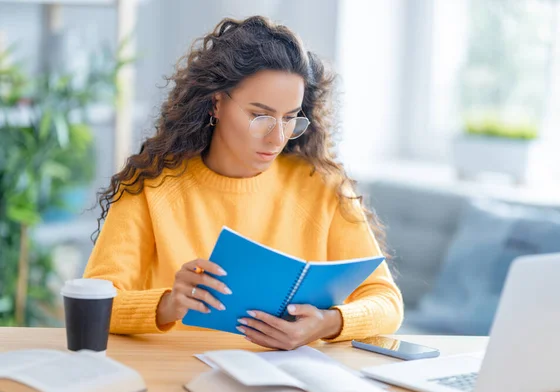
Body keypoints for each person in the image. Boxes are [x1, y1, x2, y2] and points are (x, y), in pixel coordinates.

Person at [84, 15, 403, 350]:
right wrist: (169, 304)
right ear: (216, 103)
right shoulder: (151, 187)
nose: (276, 137)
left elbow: (386, 301)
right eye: (259, 116)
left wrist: (327, 323)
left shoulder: (323, 186)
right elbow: (95, 301)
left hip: (290, 381)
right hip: (179, 376)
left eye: (290, 118)